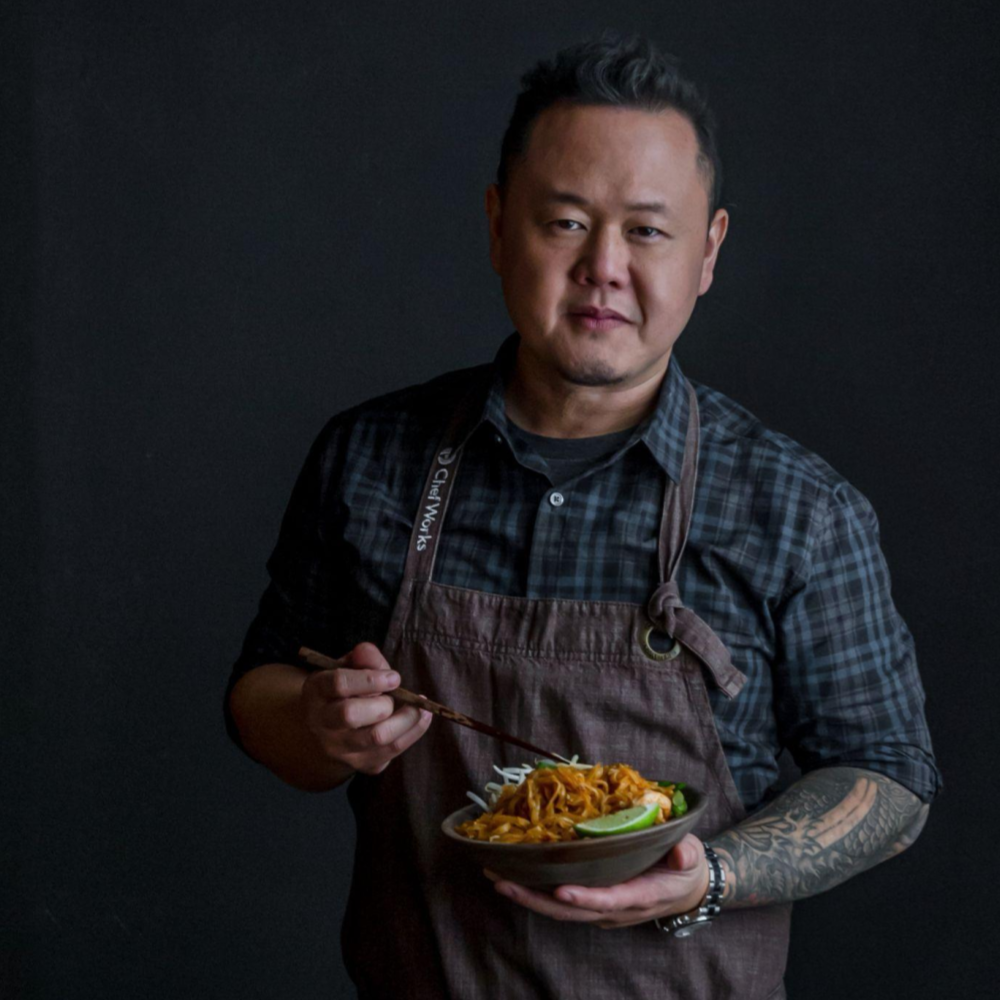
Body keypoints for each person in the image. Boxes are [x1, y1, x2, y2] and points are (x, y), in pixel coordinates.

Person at [225, 31, 941, 1000]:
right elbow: (262, 689)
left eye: (646, 230)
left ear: (707, 252)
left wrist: (714, 874)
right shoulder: (370, 457)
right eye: (565, 221)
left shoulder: (800, 509)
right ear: (497, 226)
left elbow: (888, 775)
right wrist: (319, 724)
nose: (603, 265)